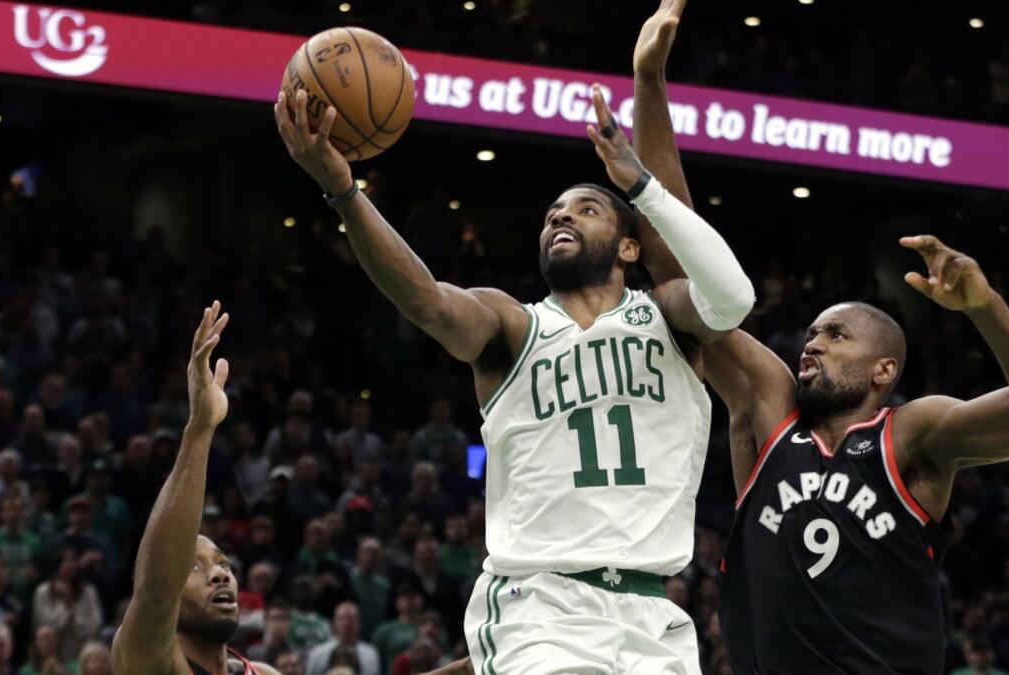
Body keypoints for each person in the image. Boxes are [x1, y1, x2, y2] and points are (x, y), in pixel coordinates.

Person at [275, 32, 754, 672]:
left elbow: (734, 296)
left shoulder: (668, 317)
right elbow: (426, 301)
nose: (562, 218)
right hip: (540, 605)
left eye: (585, 210)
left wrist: (640, 183)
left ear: (629, 247)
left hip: (652, 614)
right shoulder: (512, 325)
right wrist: (344, 190)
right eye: (554, 213)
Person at [628, 2, 1009, 672]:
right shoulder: (770, 405)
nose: (810, 344)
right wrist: (650, 82)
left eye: (835, 335)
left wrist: (985, 309)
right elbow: (681, 268)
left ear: (883, 371)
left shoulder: (912, 435)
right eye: (811, 333)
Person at [111, 302, 280, 675]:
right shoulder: (148, 658)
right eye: (194, 567)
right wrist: (200, 429)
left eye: (223, 564)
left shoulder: (262, 673)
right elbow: (157, 591)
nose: (219, 575)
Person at [304, 601, 380, 675]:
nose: (346, 623)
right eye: (341, 619)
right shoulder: (318, 654)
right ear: (334, 623)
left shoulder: (370, 655)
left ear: (359, 623)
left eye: (351, 619)